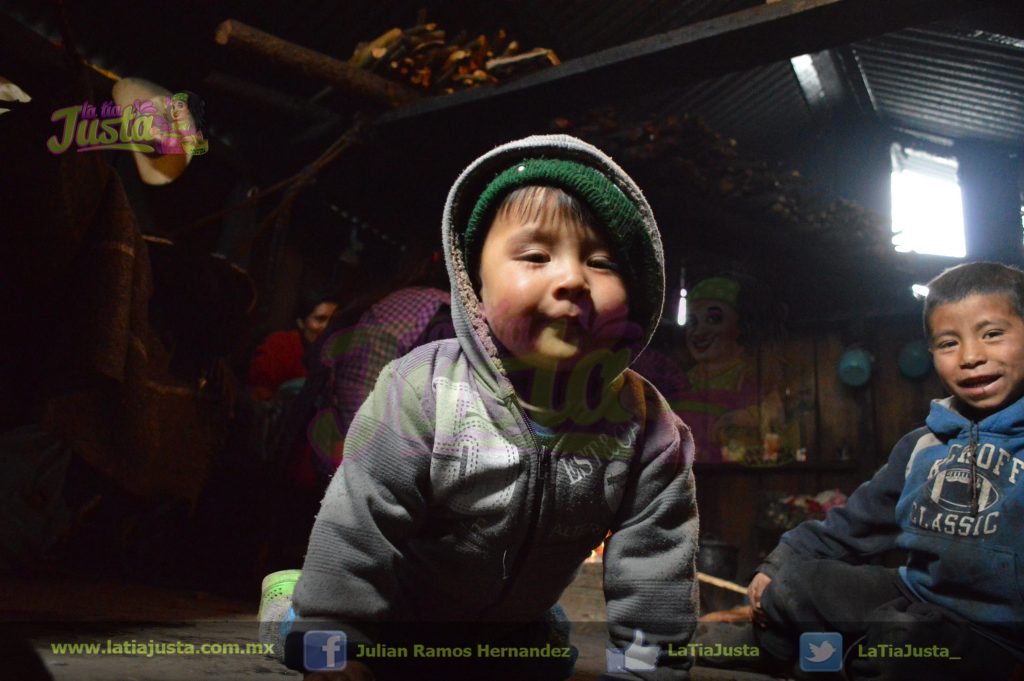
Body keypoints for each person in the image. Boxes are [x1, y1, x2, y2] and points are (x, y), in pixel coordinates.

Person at [274, 135, 699, 680]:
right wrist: (334, 640)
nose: (571, 279)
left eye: (602, 262)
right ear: (474, 279)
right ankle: (289, 601)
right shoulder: (423, 387)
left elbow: (654, 565)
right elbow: (361, 518)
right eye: (535, 256)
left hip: (517, 632)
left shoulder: (647, 427)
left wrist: (651, 669)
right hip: (395, 619)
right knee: (301, 639)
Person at [744, 262, 1024, 680]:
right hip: (915, 594)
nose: (970, 357)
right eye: (948, 343)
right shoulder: (922, 446)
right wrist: (779, 564)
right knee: (798, 582)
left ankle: (837, 660)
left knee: (901, 647)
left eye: (992, 334)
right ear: (931, 354)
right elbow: (854, 524)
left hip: (998, 635)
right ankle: (780, 655)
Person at [674, 276, 785, 463]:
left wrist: (746, 417)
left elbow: (774, 417)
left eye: (714, 319)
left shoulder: (748, 375)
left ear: (739, 326)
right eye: (692, 322)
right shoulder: (683, 379)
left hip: (733, 475)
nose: (699, 332)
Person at [248, 291, 338, 401]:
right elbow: (260, 395)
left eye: (333, 320)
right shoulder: (281, 345)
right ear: (301, 322)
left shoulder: (340, 353)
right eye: (320, 319)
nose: (327, 326)